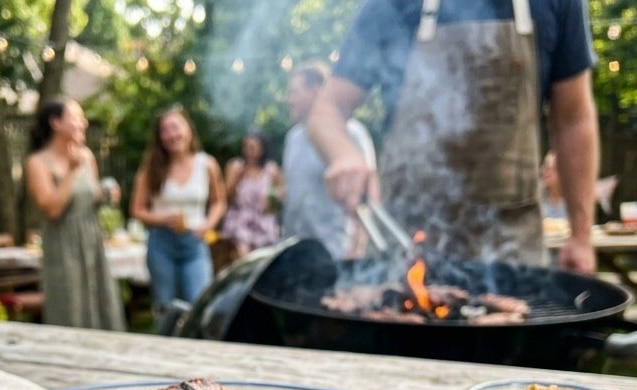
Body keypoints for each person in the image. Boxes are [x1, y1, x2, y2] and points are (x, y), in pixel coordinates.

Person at [307, 0, 599, 273]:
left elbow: (574, 120)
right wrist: (343, 155)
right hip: (405, 240)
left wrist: (581, 235)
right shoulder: (391, 4)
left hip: (508, 244)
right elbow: (328, 109)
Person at [24, 98, 126, 331]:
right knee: (70, 307)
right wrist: (71, 170)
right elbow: (52, 209)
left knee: (102, 304)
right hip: (63, 247)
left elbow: (90, 197)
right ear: (56, 123)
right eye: (76, 117)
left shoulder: (87, 156)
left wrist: (106, 195)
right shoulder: (37, 162)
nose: (84, 122)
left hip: (91, 242)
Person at [130, 106, 227, 326]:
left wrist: (208, 225)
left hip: (195, 243)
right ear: (160, 137)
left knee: (199, 306)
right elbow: (137, 210)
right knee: (166, 310)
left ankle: (196, 356)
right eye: (165, 130)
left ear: (188, 129)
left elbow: (219, 202)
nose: (171, 134)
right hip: (161, 245)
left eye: (175, 127)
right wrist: (164, 219)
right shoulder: (152, 168)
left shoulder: (207, 164)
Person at [282, 62, 377, 260]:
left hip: (335, 252)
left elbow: (366, 199)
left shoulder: (351, 134)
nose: (289, 100)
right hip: (295, 252)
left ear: (316, 91)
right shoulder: (292, 138)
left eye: (294, 93)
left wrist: (357, 248)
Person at [221, 132, 283, 260]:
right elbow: (225, 198)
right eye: (247, 146)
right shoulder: (235, 166)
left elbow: (282, 196)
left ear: (262, 148)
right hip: (240, 222)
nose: (250, 151)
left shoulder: (271, 170)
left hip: (264, 221)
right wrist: (236, 180)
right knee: (245, 260)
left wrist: (274, 198)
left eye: (253, 147)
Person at [539, 151, 566, 221]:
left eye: (550, 168)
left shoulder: (572, 199)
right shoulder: (536, 195)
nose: (544, 171)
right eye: (544, 166)